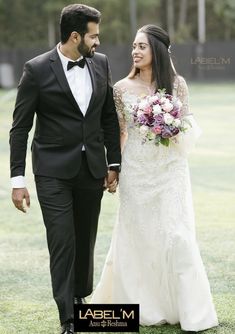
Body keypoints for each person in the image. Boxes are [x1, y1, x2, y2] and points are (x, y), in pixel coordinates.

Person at [91, 24, 219, 332]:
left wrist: (171, 126)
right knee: (138, 236)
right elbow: (120, 132)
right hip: (136, 170)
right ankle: (140, 307)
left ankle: (189, 309)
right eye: (134, 46)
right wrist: (114, 168)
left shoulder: (178, 85)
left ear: (157, 51)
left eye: (142, 46)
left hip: (171, 170)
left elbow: (189, 124)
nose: (135, 51)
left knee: (176, 235)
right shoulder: (120, 89)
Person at [9, 4, 121, 334]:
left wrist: (114, 161)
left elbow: (108, 117)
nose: (98, 42)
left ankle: (79, 297)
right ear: (75, 37)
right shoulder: (36, 69)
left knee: (84, 239)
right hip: (52, 171)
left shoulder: (101, 64)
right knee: (62, 241)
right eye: (93, 36)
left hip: (92, 170)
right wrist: (18, 179)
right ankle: (68, 317)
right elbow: (20, 128)